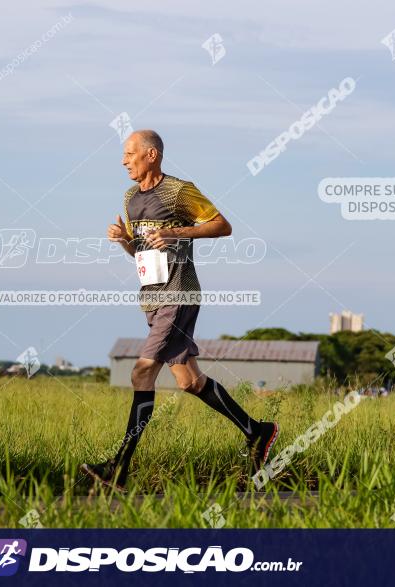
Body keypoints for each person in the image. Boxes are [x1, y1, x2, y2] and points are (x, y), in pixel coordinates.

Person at [80, 130, 279, 491]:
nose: (124, 161)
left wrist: (178, 233)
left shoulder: (179, 191)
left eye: (129, 154)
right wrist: (125, 241)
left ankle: (118, 469)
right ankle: (257, 431)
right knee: (189, 381)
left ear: (151, 155)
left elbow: (222, 225)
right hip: (153, 299)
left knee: (142, 374)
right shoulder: (129, 199)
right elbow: (140, 253)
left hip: (179, 294)